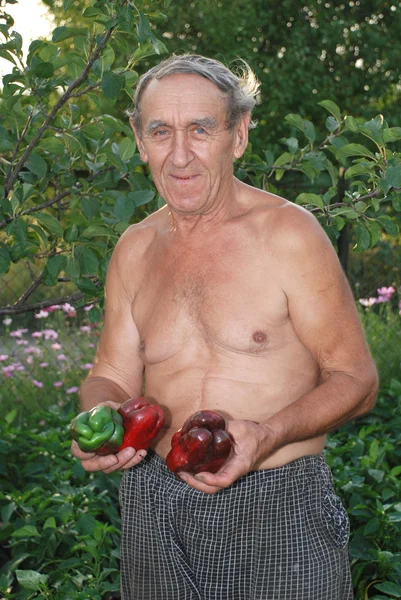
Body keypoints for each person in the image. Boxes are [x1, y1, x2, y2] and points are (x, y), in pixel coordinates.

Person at [71, 54, 378, 600]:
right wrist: (99, 421)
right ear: (139, 142)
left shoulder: (289, 234)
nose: (181, 155)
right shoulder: (134, 249)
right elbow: (111, 374)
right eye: (161, 132)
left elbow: (355, 379)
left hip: (279, 504)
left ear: (238, 135)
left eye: (201, 129)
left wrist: (266, 435)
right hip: (153, 504)